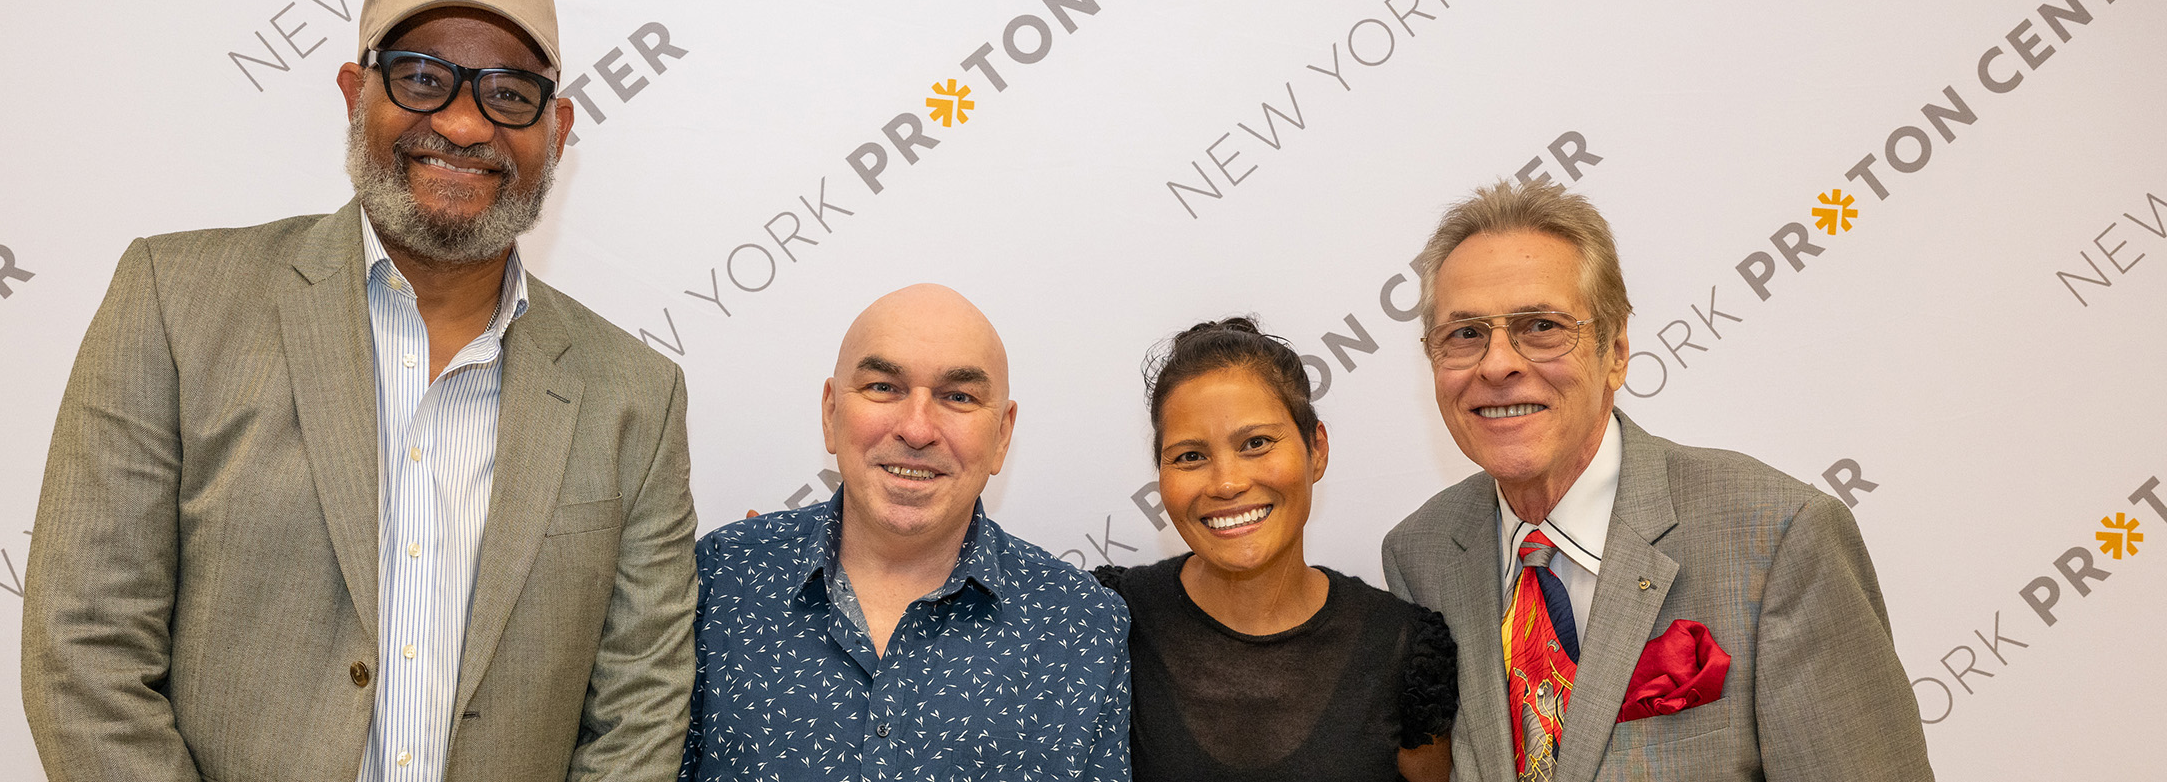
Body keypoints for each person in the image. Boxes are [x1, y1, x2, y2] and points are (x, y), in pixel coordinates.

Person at [21, 0, 698, 780]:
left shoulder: (635, 394)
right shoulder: (176, 301)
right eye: (420, 78)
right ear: (354, 92)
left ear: (555, 127)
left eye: (508, 93)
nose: (460, 122)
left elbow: (640, 707)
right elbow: (85, 647)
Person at [1380, 179, 1934, 781]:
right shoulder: (1421, 556)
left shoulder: (1777, 538)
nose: (1498, 363)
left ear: (1615, 350)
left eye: (1541, 326)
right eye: (1465, 334)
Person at [679, 284, 1130, 781]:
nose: (916, 430)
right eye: (883, 387)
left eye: (958, 397)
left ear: (1002, 435)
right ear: (831, 413)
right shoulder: (723, 578)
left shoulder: (1081, 623)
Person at [1095, 317, 1457, 782]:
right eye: (1190, 456)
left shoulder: (1403, 648)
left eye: (1256, 443)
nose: (1227, 483)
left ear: (1317, 449)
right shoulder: (1110, 621)